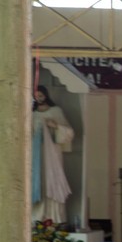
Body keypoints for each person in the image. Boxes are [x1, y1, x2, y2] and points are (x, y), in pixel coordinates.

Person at [32, 85, 75, 224]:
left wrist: (55, 126)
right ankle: (37, 218)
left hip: (52, 153)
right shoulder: (31, 114)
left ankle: (54, 218)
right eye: (36, 96)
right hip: (35, 154)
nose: (39, 98)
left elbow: (69, 133)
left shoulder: (56, 111)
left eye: (41, 95)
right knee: (37, 181)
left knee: (52, 181)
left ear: (46, 95)